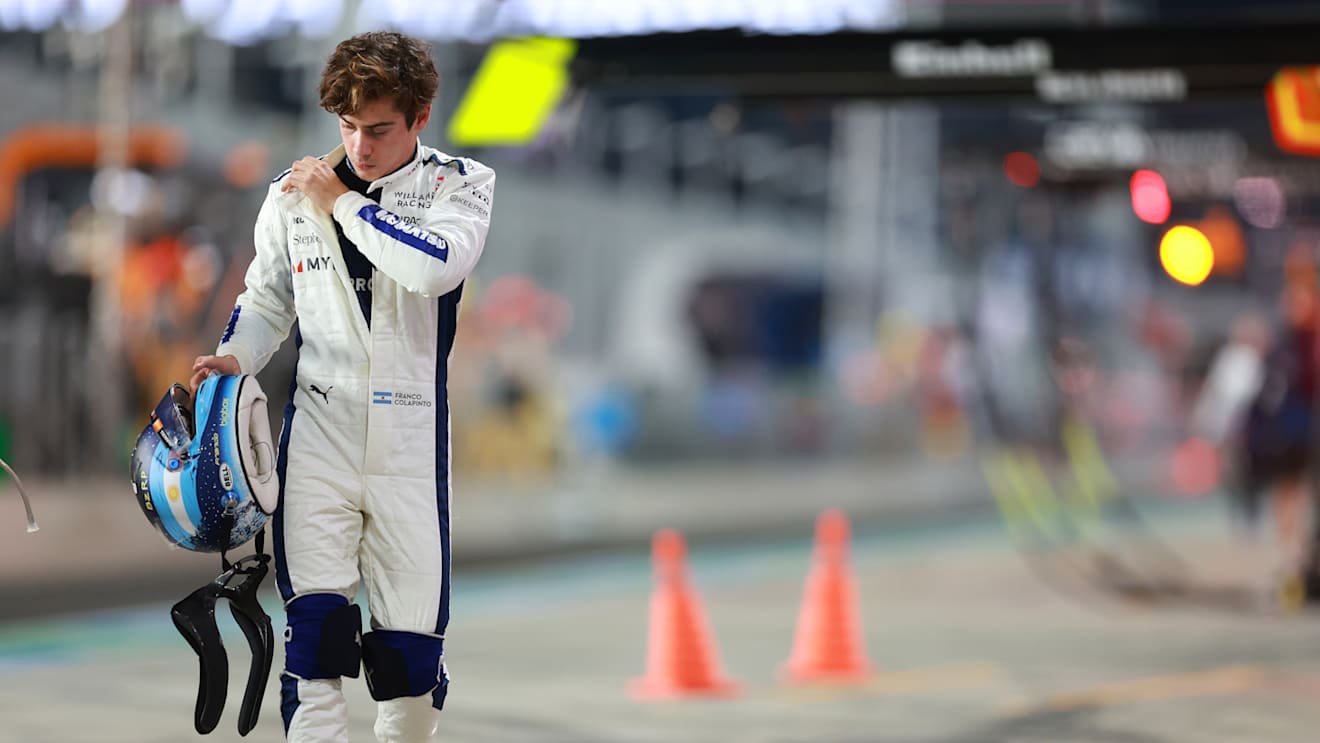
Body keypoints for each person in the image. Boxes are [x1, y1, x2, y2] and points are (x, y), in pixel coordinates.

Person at [190, 31, 495, 742]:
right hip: (321, 433)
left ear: (420, 119)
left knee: (410, 666)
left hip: (411, 445)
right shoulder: (291, 196)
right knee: (314, 644)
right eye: (349, 126)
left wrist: (343, 206)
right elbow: (266, 297)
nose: (360, 146)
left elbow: (433, 268)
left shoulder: (461, 184)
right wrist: (233, 356)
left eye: (380, 129)